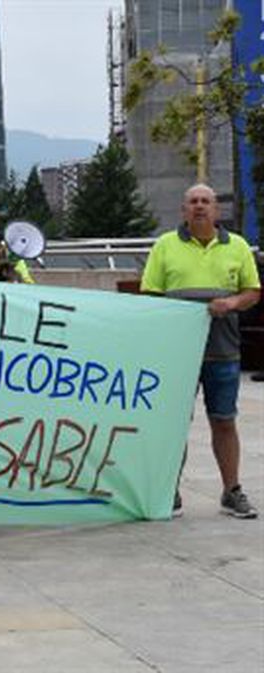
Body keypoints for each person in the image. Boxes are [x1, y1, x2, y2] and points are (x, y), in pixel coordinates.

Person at [140, 183, 260, 518]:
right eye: (193, 201)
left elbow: (252, 292)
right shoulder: (164, 246)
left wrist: (232, 302)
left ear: (216, 210)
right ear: (184, 210)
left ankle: (231, 491)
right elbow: (150, 294)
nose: (199, 207)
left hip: (223, 352)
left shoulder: (237, 246)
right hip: (177, 355)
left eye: (206, 201)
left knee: (224, 421)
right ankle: (168, 491)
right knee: (173, 423)